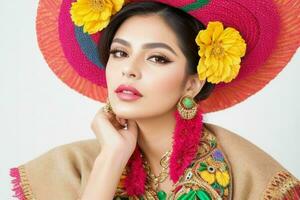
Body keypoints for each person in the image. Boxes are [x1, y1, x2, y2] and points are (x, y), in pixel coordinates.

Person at [9, 0, 300, 199]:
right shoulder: (70, 167)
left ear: (191, 83)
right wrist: (111, 158)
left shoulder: (247, 170)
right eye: (120, 53)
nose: (129, 69)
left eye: (157, 58)